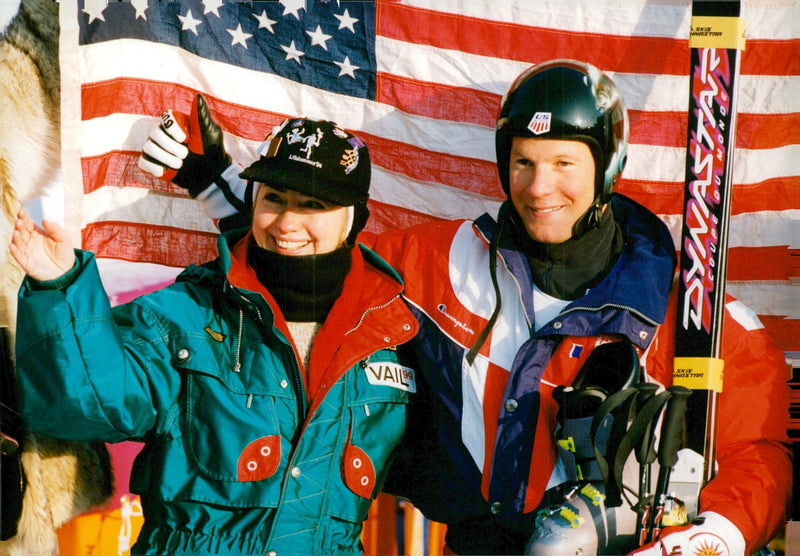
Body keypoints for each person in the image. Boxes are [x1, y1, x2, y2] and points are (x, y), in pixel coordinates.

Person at [139, 60, 792, 555]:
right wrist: (219, 188)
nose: (540, 188)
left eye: (565, 162)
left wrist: (713, 538)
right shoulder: (440, 264)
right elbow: (314, 267)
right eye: (523, 162)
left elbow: (759, 450)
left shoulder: (687, 304)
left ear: (607, 168)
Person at [11, 115, 419, 556]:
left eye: (313, 205)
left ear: (355, 219)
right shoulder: (186, 313)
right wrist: (60, 289)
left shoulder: (394, 335)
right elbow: (84, 407)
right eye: (274, 198)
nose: (286, 223)